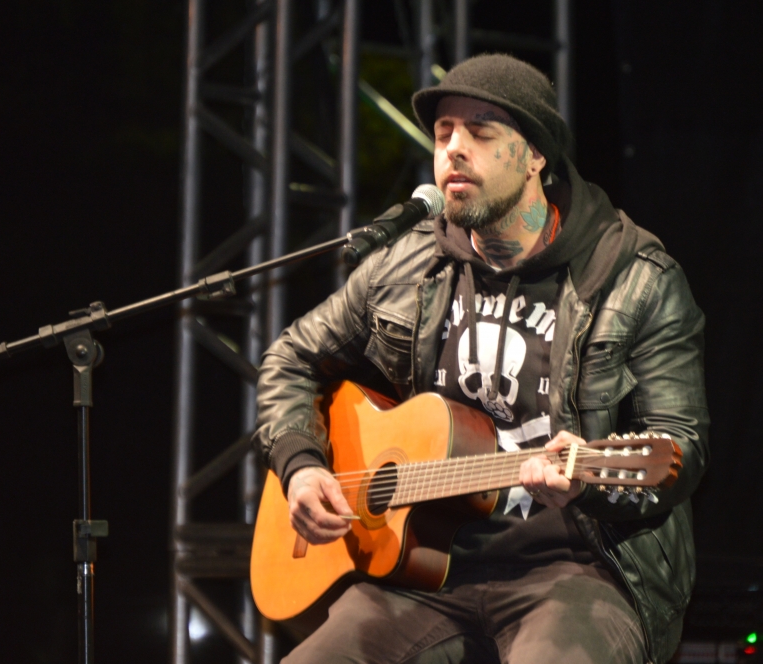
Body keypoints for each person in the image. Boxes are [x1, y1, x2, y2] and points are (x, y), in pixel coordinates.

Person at [254, 54, 709, 664]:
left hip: (579, 571)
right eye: (444, 134)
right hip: (422, 573)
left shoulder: (636, 278)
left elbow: (680, 446)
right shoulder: (405, 263)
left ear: (536, 155)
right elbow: (291, 358)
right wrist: (302, 466)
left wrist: (585, 485)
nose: (454, 150)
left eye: (481, 133)